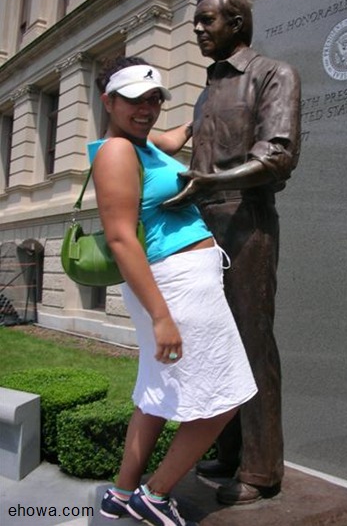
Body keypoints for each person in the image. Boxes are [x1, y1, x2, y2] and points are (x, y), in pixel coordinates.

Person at [90, 55, 257, 525]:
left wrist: (208, 109)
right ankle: (155, 496)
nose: (146, 110)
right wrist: (162, 316)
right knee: (225, 396)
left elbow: (173, 136)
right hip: (176, 288)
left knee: (155, 395)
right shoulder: (117, 152)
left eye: (153, 99)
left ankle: (121, 494)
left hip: (177, 284)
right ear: (108, 101)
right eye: (134, 100)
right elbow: (121, 238)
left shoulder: (142, 144)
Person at [157, 0, 301, 505]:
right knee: (216, 344)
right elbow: (185, 151)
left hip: (247, 220)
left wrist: (210, 183)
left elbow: (279, 156)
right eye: (195, 22)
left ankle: (262, 470)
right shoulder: (205, 93)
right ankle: (229, 449)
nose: (197, 29)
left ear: (236, 23)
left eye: (206, 21)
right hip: (201, 226)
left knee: (252, 342)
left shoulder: (273, 74)